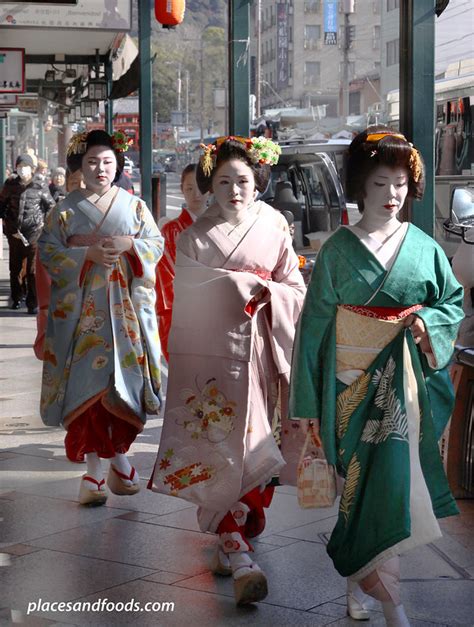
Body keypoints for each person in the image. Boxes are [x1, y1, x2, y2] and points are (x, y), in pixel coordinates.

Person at [289, 126, 464, 626]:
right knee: (358, 488)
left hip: (405, 387)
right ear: (361, 187)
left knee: (391, 489)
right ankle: (359, 582)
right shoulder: (339, 250)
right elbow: (315, 328)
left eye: (401, 184)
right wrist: (306, 404)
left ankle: (392, 603)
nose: (392, 195)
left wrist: (427, 321)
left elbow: (449, 301)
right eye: (381, 184)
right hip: (350, 386)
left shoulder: (424, 246)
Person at [149, 136, 306, 605]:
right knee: (217, 441)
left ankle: (232, 532)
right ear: (210, 186)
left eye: (242, 180)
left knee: (259, 441)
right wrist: (239, 286)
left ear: (257, 181)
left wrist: (268, 294)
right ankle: (236, 546)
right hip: (214, 360)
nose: (235, 190)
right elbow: (191, 299)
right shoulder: (196, 236)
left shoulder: (274, 226)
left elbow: (294, 288)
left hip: (261, 354)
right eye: (224, 182)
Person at [38, 130, 164, 506]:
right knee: (86, 393)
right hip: (82, 320)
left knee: (123, 387)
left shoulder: (135, 207)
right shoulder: (63, 210)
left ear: (118, 166)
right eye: (92, 161)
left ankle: (121, 460)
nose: (100, 168)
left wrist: (130, 245)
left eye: (108, 161)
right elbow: (48, 250)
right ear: (81, 165)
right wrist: (86, 256)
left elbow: (155, 244)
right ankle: (95, 471)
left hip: (123, 314)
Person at [155, 163, 208, 361]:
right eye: (189, 188)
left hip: (217, 313)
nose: (196, 194)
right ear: (182, 190)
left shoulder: (221, 225)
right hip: (181, 312)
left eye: (201, 187)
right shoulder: (170, 231)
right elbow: (165, 275)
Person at [34, 157, 85, 360]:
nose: (80, 187)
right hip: (64, 298)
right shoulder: (57, 215)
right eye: (75, 182)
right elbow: (46, 259)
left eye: (85, 182)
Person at [0, 154, 56, 313]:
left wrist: (44, 224)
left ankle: (33, 303)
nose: (22, 169)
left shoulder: (40, 185)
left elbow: (50, 206)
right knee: (15, 267)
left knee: (32, 270)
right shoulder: (10, 184)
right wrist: (6, 222)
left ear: (32, 169)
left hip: (34, 233)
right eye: (19, 166)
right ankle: (16, 298)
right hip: (14, 233)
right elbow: (1, 204)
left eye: (25, 166)